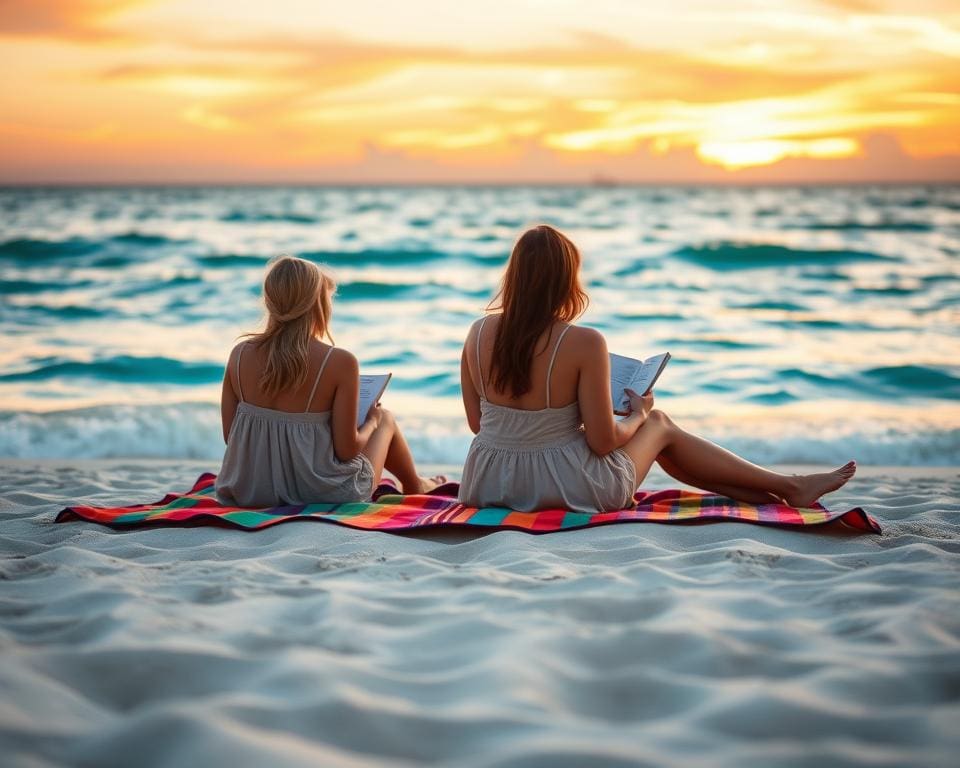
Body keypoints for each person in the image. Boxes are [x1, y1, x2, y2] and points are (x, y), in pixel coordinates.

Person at [458, 225, 856, 513]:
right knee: (661, 424)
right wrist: (638, 415)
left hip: (488, 483)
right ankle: (789, 485)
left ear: (515, 275)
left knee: (656, 431)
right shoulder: (583, 341)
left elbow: (479, 425)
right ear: (565, 280)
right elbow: (602, 443)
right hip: (567, 487)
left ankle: (770, 492)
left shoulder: (476, 333)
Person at [216, 255, 441, 507]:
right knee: (385, 418)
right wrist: (371, 422)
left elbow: (231, 435)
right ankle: (415, 485)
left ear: (269, 301)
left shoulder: (239, 355)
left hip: (251, 489)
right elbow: (347, 450)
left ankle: (417, 483)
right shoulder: (339, 362)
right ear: (317, 304)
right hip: (320, 493)